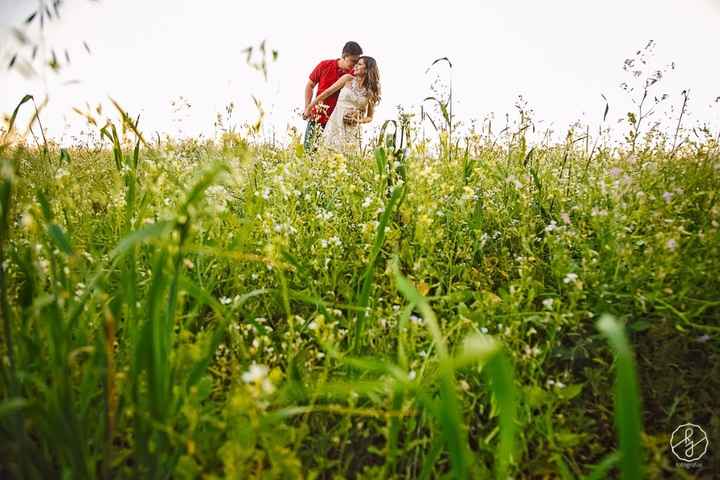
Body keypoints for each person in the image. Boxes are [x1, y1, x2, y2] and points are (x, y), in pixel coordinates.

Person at [304, 56, 381, 153]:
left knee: (347, 159)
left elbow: (369, 117)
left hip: (352, 129)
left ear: (367, 69)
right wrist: (309, 107)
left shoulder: (371, 92)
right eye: (356, 64)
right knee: (328, 154)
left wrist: (358, 119)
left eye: (359, 64)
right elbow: (327, 93)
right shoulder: (347, 79)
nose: (355, 66)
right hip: (335, 123)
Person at [303, 41, 363, 153]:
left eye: (357, 62)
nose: (355, 65)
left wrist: (356, 114)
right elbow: (310, 85)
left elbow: (359, 100)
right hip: (318, 118)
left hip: (339, 123)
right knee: (309, 152)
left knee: (332, 157)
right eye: (353, 61)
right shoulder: (324, 65)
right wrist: (307, 107)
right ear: (344, 56)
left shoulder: (355, 76)